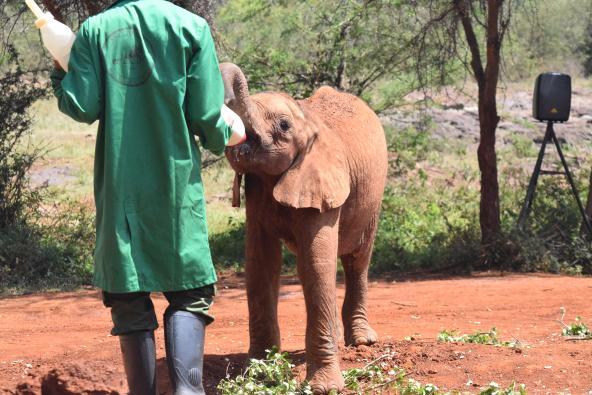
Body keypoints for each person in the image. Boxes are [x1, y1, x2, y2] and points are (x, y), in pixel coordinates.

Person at [50, 0, 244, 393]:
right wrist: (226, 136)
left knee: (128, 294)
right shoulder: (191, 28)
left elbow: (82, 106)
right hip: (175, 187)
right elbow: (207, 116)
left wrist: (60, 68)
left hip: (121, 187)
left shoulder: (95, 30)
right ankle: (188, 390)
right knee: (189, 292)